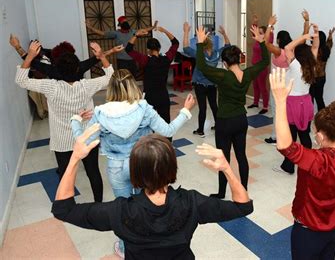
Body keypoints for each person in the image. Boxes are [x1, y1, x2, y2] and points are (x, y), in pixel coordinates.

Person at [52, 125, 253, 259]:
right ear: (172, 168)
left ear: (135, 171)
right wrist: (226, 168)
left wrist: (75, 158)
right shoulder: (192, 202)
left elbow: (63, 209)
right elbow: (243, 206)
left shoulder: (120, 211)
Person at [71, 69, 195, 257]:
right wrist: (185, 111)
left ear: (111, 88)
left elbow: (83, 142)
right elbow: (168, 131)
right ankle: (150, 239)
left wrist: (76, 120)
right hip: (141, 165)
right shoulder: (143, 108)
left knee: (123, 209)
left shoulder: (100, 113)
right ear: (132, 86)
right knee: (146, 203)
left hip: (115, 167)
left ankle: (124, 246)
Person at [271, 66, 335, 259]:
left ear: (319, 135)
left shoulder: (319, 161)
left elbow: (286, 146)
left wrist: (280, 100)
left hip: (309, 232)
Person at [15, 40, 114, 203]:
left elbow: (21, 80)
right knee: (93, 171)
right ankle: (98, 204)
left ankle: (68, 204)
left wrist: (30, 56)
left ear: (57, 70)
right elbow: (110, 77)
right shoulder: (87, 85)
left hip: (62, 140)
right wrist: (101, 56)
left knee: (66, 173)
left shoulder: (51, 87)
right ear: (77, 69)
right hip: (86, 136)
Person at [195, 25, 269, 198]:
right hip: (241, 120)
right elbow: (265, 61)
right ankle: (243, 190)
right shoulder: (248, 73)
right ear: (239, 60)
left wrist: (200, 44)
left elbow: (202, 66)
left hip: (224, 122)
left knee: (223, 158)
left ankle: (222, 192)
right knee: (241, 156)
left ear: (226, 63)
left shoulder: (223, 76)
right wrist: (262, 42)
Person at [274, 24, 319, 175]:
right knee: (304, 135)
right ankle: (308, 162)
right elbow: (315, 48)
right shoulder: (311, 65)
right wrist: (316, 34)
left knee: (290, 137)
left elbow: (287, 48)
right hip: (306, 102)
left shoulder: (296, 66)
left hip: (292, 103)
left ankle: (288, 166)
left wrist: (304, 38)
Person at [124, 24, 179, 132]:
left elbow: (129, 49)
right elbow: (175, 43)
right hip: (163, 95)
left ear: (148, 49)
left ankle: (151, 144)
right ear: (159, 48)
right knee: (166, 122)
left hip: (150, 96)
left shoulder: (145, 60)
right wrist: (164, 30)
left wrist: (136, 35)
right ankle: (168, 143)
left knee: (148, 122)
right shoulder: (167, 58)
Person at [183, 22, 231, 137]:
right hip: (212, 84)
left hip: (200, 85)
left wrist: (186, 32)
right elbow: (228, 46)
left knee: (202, 108)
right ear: (212, 44)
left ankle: (201, 130)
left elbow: (185, 48)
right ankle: (219, 127)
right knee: (214, 106)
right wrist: (224, 34)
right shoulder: (217, 54)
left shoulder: (198, 54)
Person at [9, 34, 121, 81]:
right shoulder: (81, 68)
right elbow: (98, 57)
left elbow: (29, 60)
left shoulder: (52, 71)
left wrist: (17, 47)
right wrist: (112, 50)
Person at [85, 16, 157, 76]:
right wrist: (90, 27)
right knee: (123, 78)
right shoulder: (116, 33)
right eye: (123, 22)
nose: (126, 23)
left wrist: (153, 27)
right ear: (120, 24)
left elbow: (143, 30)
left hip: (132, 60)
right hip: (122, 61)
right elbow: (103, 33)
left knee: (133, 77)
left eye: (126, 21)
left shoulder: (133, 32)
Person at [263, 15, 293, 145]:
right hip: (288, 85)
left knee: (276, 111)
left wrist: (269, 25)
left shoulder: (277, 51)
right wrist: (306, 22)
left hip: (277, 86)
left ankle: (276, 137)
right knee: (286, 111)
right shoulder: (291, 50)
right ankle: (287, 134)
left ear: (279, 40)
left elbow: (266, 43)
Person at [302, 10, 335, 111]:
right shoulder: (326, 50)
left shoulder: (313, 50)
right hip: (322, 78)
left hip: (313, 78)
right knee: (319, 98)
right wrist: (330, 36)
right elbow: (329, 44)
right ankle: (323, 117)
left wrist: (306, 25)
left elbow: (302, 43)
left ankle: (309, 116)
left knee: (310, 98)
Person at [247, 14, 274, 114]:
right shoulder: (257, 40)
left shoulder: (267, 40)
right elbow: (253, 31)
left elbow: (270, 36)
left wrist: (270, 28)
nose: (258, 34)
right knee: (255, 85)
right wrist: (255, 22)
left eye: (261, 33)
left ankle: (266, 107)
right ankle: (255, 102)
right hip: (255, 66)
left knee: (262, 87)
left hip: (262, 68)